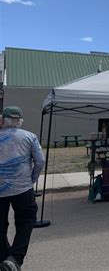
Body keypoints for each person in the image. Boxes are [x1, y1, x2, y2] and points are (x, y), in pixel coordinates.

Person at [0, 106, 45, 270]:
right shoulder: (30, 137)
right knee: (26, 222)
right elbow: (40, 162)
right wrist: (31, 180)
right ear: (19, 121)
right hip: (23, 189)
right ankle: (14, 259)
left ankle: (5, 258)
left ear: (3, 120)